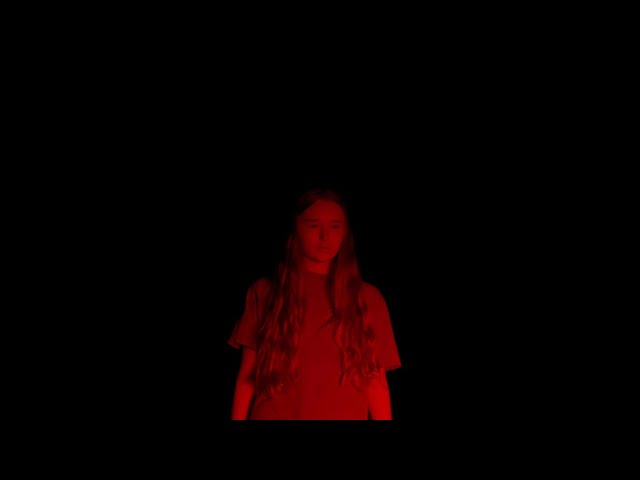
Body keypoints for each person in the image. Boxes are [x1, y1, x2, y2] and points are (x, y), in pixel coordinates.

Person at [228, 188, 401, 420]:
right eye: (313, 225)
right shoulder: (265, 292)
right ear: (295, 229)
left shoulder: (368, 298)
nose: (325, 236)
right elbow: (247, 377)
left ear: (345, 232)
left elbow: (376, 383)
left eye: (335, 226)